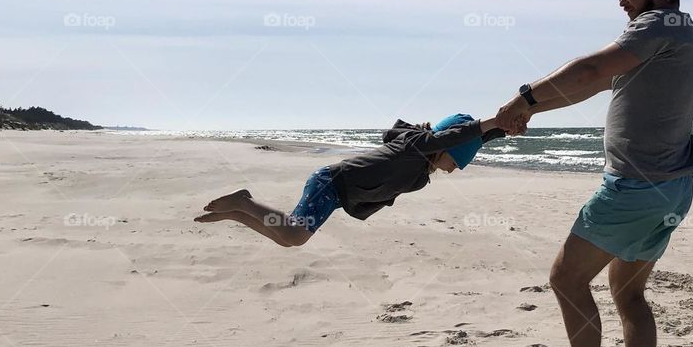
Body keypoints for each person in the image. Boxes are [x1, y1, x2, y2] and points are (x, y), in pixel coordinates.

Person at [495, 0, 693, 347]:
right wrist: (527, 113)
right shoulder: (672, 34)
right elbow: (586, 89)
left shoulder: (661, 23)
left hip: (635, 188)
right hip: (672, 188)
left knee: (566, 279)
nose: (621, 2)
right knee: (628, 292)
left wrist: (522, 97)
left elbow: (591, 69)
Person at [193, 113, 510, 248]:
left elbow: (471, 139)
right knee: (294, 234)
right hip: (331, 182)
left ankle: (238, 212)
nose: (454, 170)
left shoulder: (422, 165)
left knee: (288, 238)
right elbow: (461, 133)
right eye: (455, 162)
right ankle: (243, 202)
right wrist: (494, 120)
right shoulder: (417, 146)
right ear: (444, 146)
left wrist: (503, 128)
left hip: (338, 192)